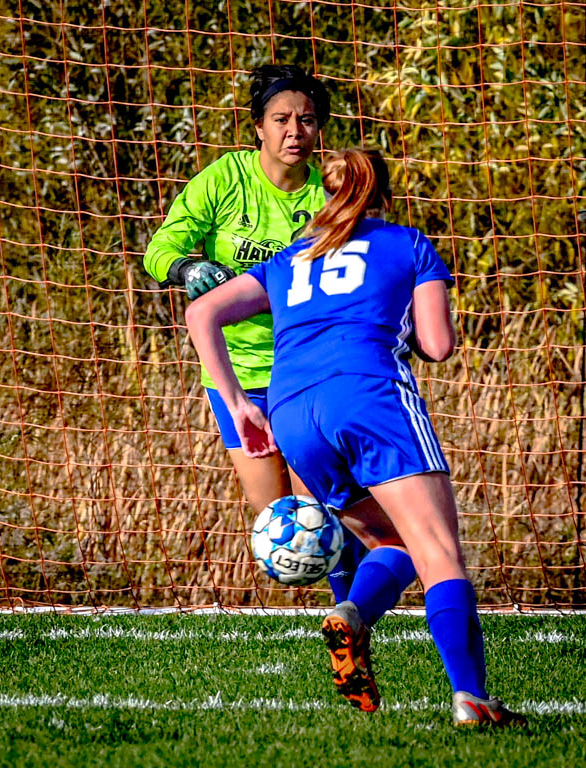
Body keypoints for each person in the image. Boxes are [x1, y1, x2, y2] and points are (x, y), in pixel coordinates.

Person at [184, 148, 528, 727]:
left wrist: (240, 402)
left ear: (324, 197)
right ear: (382, 197)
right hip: (368, 396)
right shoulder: (408, 243)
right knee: (440, 551)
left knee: (396, 542)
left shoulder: (287, 257)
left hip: (293, 413)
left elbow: (202, 314)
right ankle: (471, 697)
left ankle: (352, 614)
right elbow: (439, 345)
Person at [144, 65, 415, 606]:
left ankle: (351, 620)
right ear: (259, 127)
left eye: (308, 120)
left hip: (307, 372)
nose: (295, 131)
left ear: (320, 130)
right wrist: (185, 269)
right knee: (279, 524)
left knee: (324, 510)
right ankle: (345, 609)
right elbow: (159, 249)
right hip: (234, 375)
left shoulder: (329, 194)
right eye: (282, 119)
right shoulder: (225, 180)